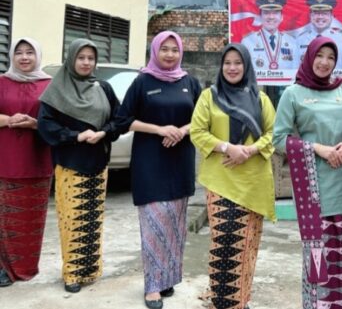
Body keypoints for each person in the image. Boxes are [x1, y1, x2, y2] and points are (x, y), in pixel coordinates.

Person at [272, 36, 342, 309]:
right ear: (309, 58)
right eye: (319, 56)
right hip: (314, 193)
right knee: (318, 261)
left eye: (331, 57)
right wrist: (317, 148)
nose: (325, 62)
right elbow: (279, 139)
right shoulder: (293, 94)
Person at [115, 31, 201, 309]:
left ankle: (168, 279)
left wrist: (182, 131)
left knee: (175, 224)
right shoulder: (142, 81)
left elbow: (204, 118)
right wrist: (159, 129)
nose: (169, 54)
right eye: (164, 49)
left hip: (180, 161)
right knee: (154, 223)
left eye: (174, 49)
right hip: (150, 162)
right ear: (154, 50)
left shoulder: (190, 82)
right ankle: (152, 285)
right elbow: (122, 120)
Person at [190, 43, 276, 309]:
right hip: (221, 180)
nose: (232, 68)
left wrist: (249, 150)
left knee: (247, 243)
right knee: (224, 241)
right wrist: (228, 147)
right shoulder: (209, 96)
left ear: (246, 65)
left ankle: (241, 298)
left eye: (238, 62)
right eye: (227, 62)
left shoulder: (260, 99)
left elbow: (273, 134)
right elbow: (197, 131)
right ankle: (221, 300)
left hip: (253, 182)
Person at [37, 38, 122, 293]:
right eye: (81, 57)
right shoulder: (57, 89)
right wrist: (76, 136)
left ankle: (91, 270)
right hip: (70, 164)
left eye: (91, 58)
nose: (86, 62)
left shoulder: (103, 88)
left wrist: (104, 132)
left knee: (93, 220)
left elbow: (119, 119)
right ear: (71, 59)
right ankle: (72, 274)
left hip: (98, 164)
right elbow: (46, 126)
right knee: (73, 220)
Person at [0, 38, 52, 287]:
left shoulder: (50, 85)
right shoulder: (2, 82)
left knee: (31, 218)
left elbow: (58, 121)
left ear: (37, 56)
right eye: (19, 52)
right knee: (4, 217)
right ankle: (4, 268)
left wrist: (35, 124)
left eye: (29, 52)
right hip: (5, 158)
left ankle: (25, 267)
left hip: (37, 161)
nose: (24, 57)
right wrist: (8, 120)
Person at [295, 0, 342, 69]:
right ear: (310, 15)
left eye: (325, 13)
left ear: (331, 16)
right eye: (316, 13)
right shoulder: (300, 39)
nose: (320, 17)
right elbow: (295, 70)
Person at [241, 0, 298, 70]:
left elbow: (296, 71)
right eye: (266, 12)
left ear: (281, 17)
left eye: (275, 13)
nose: (271, 17)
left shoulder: (291, 42)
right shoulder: (247, 42)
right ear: (260, 17)